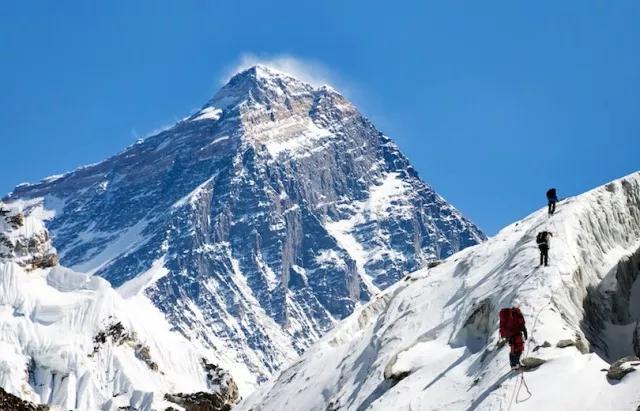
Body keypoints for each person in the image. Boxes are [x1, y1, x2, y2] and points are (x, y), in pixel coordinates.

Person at [499, 306, 528, 370]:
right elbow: (522, 325)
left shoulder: (509, 316)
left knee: (513, 350)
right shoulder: (517, 315)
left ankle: (513, 365)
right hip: (516, 335)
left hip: (509, 335)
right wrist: (525, 332)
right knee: (519, 349)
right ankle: (517, 365)